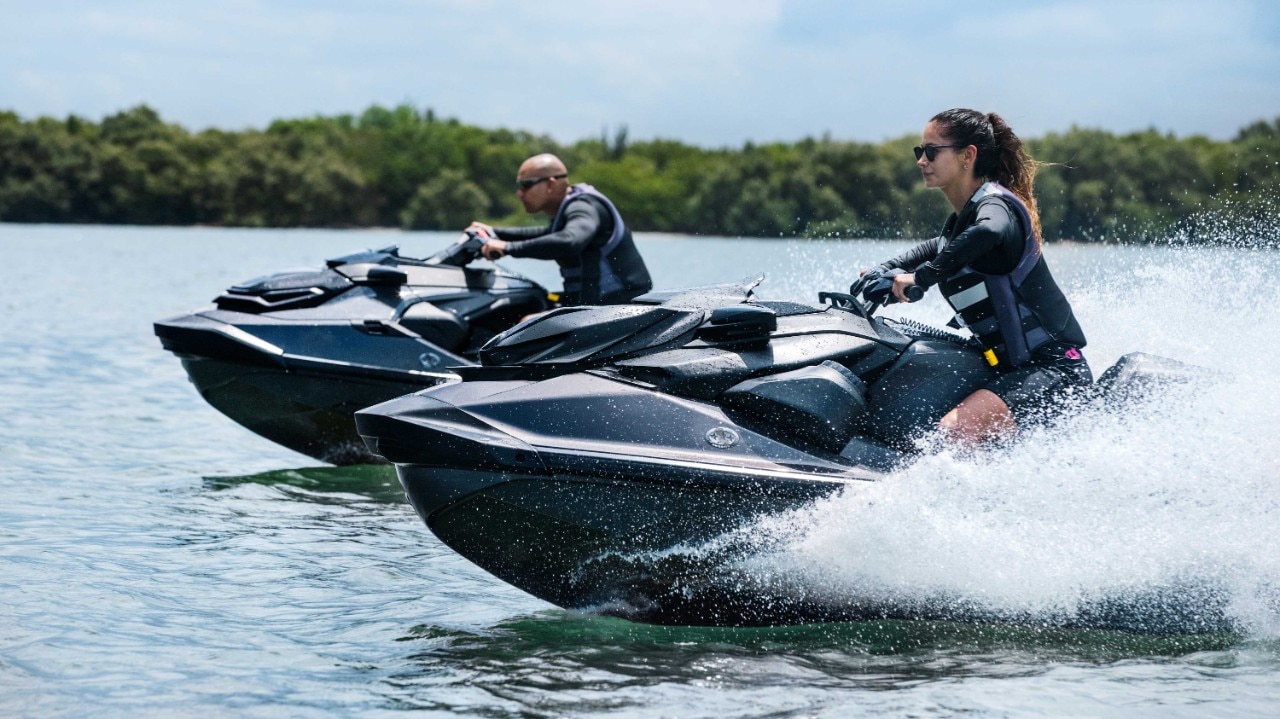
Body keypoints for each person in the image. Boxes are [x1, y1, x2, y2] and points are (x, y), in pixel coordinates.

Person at [862, 108, 1090, 444]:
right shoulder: (958, 227)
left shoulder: (997, 208)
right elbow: (926, 251)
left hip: (1053, 371)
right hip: (1004, 369)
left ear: (968, 155)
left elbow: (989, 232)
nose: (921, 161)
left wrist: (921, 279)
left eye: (931, 152)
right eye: (919, 151)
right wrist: (881, 273)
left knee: (953, 434)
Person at [468, 153, 652, 306]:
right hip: (587, 305)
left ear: (550, 184)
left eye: (526, 185)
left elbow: (569, 241)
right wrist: (495, 232)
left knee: (525, 325)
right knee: (518, 303)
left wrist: (507, 248)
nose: (519, 193)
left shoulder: (584, 207)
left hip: (617, 308)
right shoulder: (566, 210)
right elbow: (548, 236)